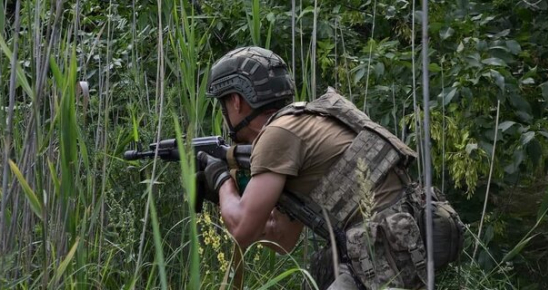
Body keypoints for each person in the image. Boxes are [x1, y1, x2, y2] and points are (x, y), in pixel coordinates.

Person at [196, 46, 458, 289]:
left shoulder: (277, 134)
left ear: (236, 101)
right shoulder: (301, 123)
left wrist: (220, 180)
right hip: (398, 243)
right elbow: (282, 240)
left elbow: (242, 229)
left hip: (385, 248)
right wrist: (231, 198)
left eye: (224, 103)